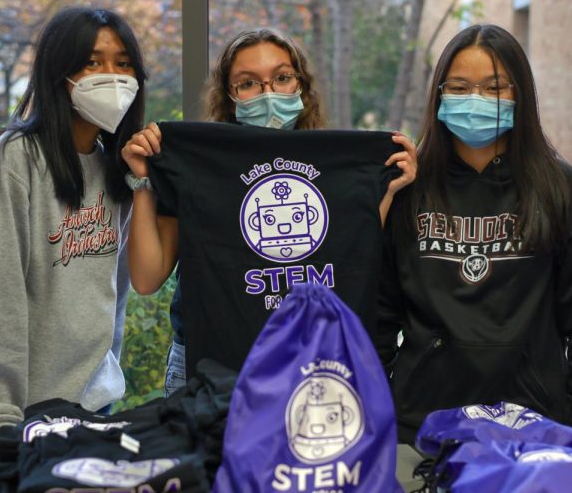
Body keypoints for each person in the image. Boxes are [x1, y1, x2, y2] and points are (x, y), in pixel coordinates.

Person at [122, 28, 417, 395]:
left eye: (281, 77)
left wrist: (386, 189)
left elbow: (352, 259)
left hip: (310, 362)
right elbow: (147, 279)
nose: (268, 94)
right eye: (248, 83)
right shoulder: (200, 165)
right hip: (211, 369)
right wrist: (144, 182)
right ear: (230, 97)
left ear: (301, 86)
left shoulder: (337, 167)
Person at [376, 24, 572, 444]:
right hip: (419, 424)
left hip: (534, 424)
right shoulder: (406, 187)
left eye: (494, 88)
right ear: (439, 95)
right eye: (459, 87)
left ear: (519, 96)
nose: (476, 100)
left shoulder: (560, 187)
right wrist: (377, 414)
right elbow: (379, 313)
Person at [0, 7, 147, 457]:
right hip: (13, 424)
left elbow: (114, 296)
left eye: (123, 63)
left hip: (91, 409)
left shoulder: (115, 169)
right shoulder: (15, 162)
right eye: (93, 62)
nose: (112, 76)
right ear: (59, 72)